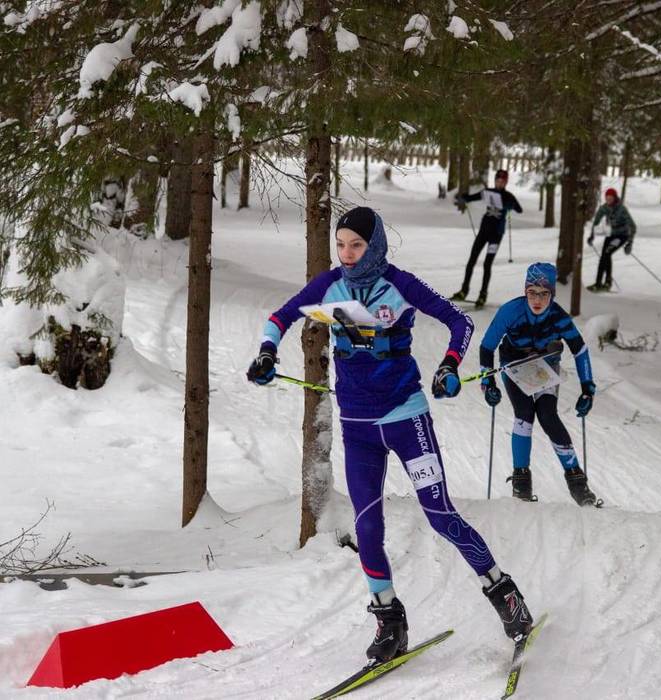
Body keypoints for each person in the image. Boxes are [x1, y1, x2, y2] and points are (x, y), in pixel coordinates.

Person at [247, 206, 533, 662]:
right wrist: (265, 354)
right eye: (340, 245)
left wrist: (449, 366)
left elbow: (460, 322)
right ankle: (389, 623)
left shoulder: (399, 283)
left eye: (356, 245)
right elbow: (279, 318)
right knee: (368, 526)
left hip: (406, 418)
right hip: (357, 426)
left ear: (374, 244)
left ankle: (506, 596)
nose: (347, 255)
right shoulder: (330, 284)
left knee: (440, 515)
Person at [477, 262, 598, 506]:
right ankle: (521, 482)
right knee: (524, 414)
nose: (537, 300)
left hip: (545, 366)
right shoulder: (511, 311)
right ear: (525, 291)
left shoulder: (559, 317)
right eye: (532, 292)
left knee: (548, 415)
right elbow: (486, 347)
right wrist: (487, 382)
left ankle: (577, 482)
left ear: (552, 294)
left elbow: (580, 349)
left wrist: (588, 388)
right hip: (514, 364)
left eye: (544, 294)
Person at [450, 169, 522, 308]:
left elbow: (519, 209)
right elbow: (473, 197)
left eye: (502, 181)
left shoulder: (508, 196)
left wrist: (509, 205)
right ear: (495, 181)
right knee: (471, 260)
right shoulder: (488, 192)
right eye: (498, 180)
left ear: (506, 182)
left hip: (496, 235)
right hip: (484, 232)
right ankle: (463, 291)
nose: (499, 183)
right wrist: (464, 197)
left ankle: (483, 295)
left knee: (487, 264)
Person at [587, 187, 636, 292]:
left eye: (610, 198)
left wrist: (630, 243)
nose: (608, 200)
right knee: (604, 256)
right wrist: (592, 235)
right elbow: (596, 222)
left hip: (622, 236)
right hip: (611, 235)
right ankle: (599, 283)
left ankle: (607, 283)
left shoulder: (622, 209)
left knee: (607, 253)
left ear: (614, 198)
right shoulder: (604, 208)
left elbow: (633, 226)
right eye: (607, 198)